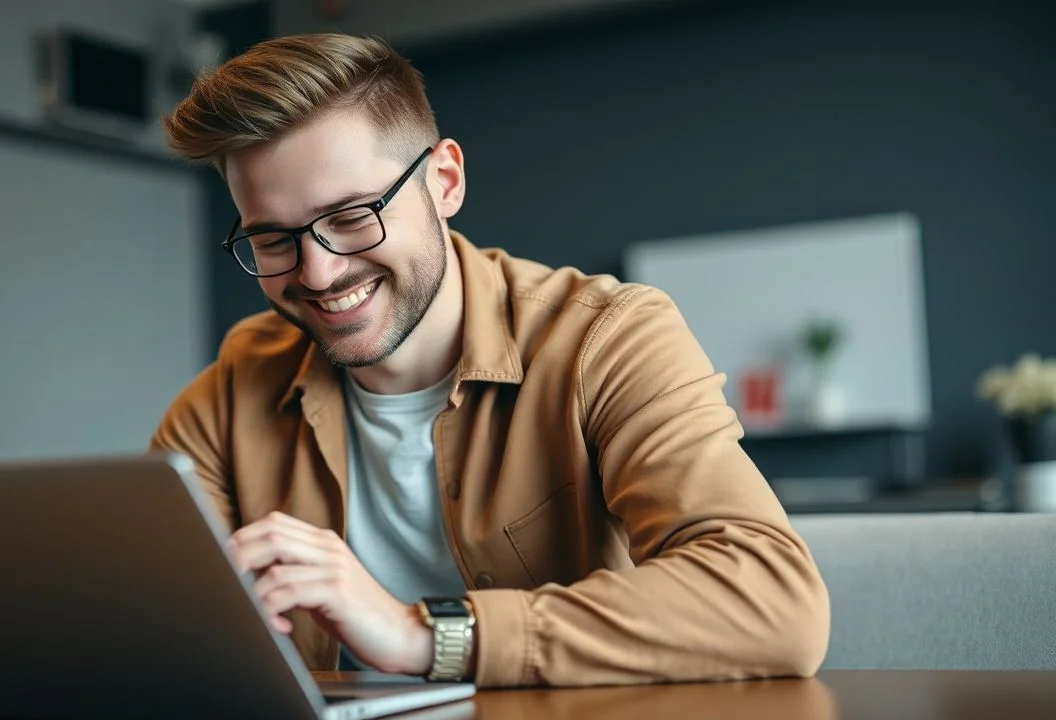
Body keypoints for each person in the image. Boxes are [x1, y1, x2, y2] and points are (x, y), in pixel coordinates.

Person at [151, 32, 830, 688]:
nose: (320, 271)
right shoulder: (229, 396)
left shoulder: (607, 338)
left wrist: (423, 635)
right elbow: (144, 634)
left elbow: (775, 602)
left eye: (355, 215)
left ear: (444, 181)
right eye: (273, 239)